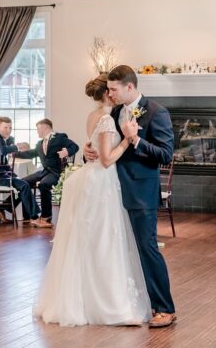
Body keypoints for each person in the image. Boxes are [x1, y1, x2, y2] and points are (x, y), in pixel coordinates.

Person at [34, 75, 151, 327]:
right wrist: (128, 140)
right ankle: (109, 304)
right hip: (102, 181)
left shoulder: (92, 115)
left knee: (89, 240)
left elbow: (93, 146)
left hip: (91, 179)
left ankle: (84, 299)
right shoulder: (108, 119)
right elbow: (107, 159)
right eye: (112, 90)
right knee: (104, 240)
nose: (115, 93)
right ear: (109, 94)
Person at [90, 65, 177, 328]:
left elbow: (165, 154)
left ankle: (165, 308)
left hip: (141, 190)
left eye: (114, 89)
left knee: (147, 247)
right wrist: (91, 149)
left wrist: (136, 140)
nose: (110, 93)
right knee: (121, 248)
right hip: (114, 189)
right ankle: (130, 304)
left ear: (130, 87)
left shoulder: (157, 112)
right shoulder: (115, 112)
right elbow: (111, 146)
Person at [15, 118, 79, 228]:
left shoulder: (59, 138)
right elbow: (31, 153)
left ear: (46, 128)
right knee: (23, 182)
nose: (37, 132)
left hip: (56, 172)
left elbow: (75, 146)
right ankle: (8, 209)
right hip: (44, 171)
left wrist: (66, 152)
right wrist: (15, 154)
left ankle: (46, 216)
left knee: (44, 184)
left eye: (38, 129)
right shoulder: (40, 144)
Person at [0, 116, 35, 224]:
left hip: (0, 175)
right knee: (24, 185)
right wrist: (17, 147)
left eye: (10, 128)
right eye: (5, 127)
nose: (8, 130)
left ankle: (0, 209)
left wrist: (14, 176)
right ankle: (35, 218)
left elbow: (3, 164)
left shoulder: (0, 139)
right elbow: (1, 151)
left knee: (24, 184)